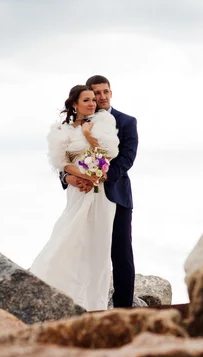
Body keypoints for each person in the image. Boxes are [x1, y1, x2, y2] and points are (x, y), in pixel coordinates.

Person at [29, 85, 120, 311]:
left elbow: (109, 153)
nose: (92, 103)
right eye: (87, 100)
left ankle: (95, 305)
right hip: (78, 189)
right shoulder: (63, 131)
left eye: (93, 100)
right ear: (74, 105)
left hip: (100, 194)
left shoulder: (103, 123)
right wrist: (82, 176)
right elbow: (62, 163)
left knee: (99, 245)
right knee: (70, 236)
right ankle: (57, 292)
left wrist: (89, 136)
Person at [61, 75, 138, 308]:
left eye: (105, 92)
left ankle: (123, 310)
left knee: (120, 252)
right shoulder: (76, 125)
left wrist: (99, 176)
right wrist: (70, 177)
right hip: (82, 196)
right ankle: (80, 304)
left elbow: (126, 159)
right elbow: (63, 158)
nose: (101, 97)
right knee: (81, 249)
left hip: (116, 196)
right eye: (96, 93)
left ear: (111, 93)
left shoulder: (126, 121)